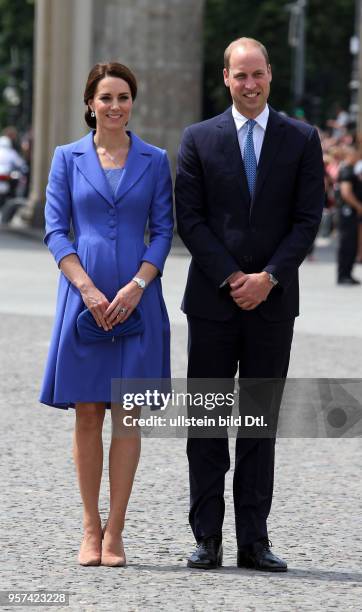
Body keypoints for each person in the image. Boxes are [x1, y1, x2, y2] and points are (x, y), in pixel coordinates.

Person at [175, 38, 324, 571]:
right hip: (213, 303)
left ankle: (254, 541)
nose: (250, 84)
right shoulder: (198, 139)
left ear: (269, 75)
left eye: (257, 74)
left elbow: (309, 219)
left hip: (274, 303)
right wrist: (234, 277)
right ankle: (207, 537)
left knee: (259, 424)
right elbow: (189, 219)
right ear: (225, 78)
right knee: (207, 421)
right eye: (241, 76)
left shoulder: (302, 138)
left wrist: (270, 277)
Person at [39, 62, 173, 566]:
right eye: (105, 98)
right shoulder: (66, 158)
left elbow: (163, 231)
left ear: (132, 102)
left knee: (128, 414)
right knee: (88, 413)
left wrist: (139, 284)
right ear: (90, 103)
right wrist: (88, 289)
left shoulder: (155, 159)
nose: (115, 106)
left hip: (139, 300)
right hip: (82, 298)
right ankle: (89, 529)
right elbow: (56, 230)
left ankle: (116, 531)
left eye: (123, 97)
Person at [336, 152, 362, 284]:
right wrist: (358, 206)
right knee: (347, 244)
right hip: (348, 213)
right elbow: (346, 193)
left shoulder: (350, 170)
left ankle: (348, 274)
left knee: (352, 245)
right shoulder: (347, 171)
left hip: (351, 213)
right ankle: (343, 275)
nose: (358, 157)